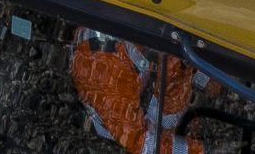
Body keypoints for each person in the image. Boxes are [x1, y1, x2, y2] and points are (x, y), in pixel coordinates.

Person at [70, 33, 205, 154]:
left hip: (119, 32)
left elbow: (143, 145)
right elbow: (172, 82)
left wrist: (204, 151)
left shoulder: (102, 77)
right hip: (148, 32)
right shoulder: (118, 104)